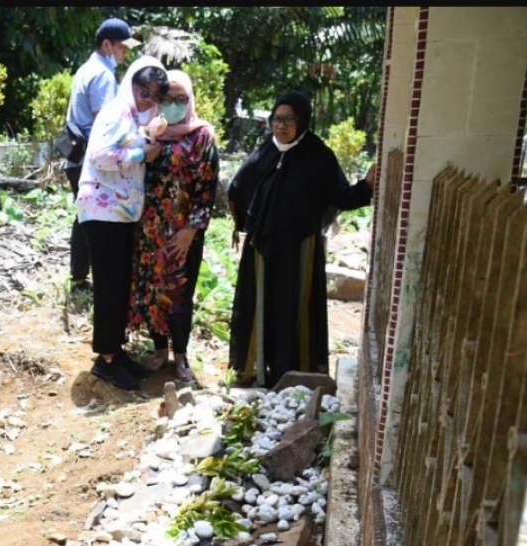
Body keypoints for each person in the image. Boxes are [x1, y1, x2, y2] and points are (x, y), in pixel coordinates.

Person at [227, 90, 376, 388]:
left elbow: (340, 196)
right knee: (261, 305)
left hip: (299, 250)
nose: (280, 127)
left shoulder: (317, 156)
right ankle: (255, 371)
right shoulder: (266, 153)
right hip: (262, 249)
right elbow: (239, 187)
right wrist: (244, 222)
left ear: (303, 120)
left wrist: (367, 186)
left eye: (288, 120)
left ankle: (293, 372)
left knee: (292, 307)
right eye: (276, 119)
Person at [75, 55, 168, 391]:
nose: (149, 100)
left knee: (119, 285)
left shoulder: (132, 115)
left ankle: (115, 351)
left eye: (157, 96)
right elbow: (100, 155)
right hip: (103, 210)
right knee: (109, 286)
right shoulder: (116, 110)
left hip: (118, 211)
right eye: (145, 92)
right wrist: (143, 154)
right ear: (132, 85)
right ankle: (106, 359)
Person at [128, 68, 219, 383]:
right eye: (168, 98)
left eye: (182, 99)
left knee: (180, 293)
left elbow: (207, 188)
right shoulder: (149, 131)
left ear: (191, 99)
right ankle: (159, 350)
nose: (175, 104)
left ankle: (181, 356)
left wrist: (191, 230)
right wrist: (150, 138)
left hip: (183, 234)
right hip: (150, 230)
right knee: (153, 290)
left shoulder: (202, 136)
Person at [63, 18, 140, 296]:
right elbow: (106, 124)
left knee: (84, 215)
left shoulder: (88, 69)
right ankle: (89, 279)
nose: (125, 54)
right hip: (90, 158)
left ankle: (80, 278)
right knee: (94, 219)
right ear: (107, 45)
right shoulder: (103, 75)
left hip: (78, 154)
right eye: (122, 48)